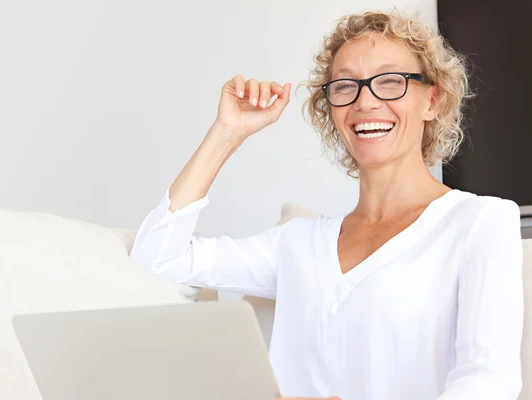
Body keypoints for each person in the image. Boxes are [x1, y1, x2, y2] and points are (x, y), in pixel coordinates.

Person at [130, 10, 524, 400]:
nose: (365, 102)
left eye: (389, 82)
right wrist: (226, 134)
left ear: (432, 100)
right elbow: (159, 258)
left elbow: (489, 382)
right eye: (344, 86)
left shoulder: (480, 221)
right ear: (331, 109)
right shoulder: (297, 242)